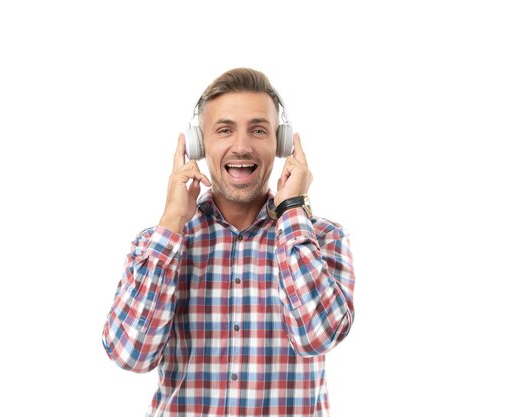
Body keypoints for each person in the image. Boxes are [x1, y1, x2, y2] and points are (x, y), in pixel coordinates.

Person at [102, 67, 356, 417]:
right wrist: (172, 221)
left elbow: (319, 337)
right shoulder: (157, 244)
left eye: (258, 130)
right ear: (199, 144)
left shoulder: (322, 238)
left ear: (281, 144)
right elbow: (131, 354)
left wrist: (292, 211)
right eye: (224, 130)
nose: (241, 146)